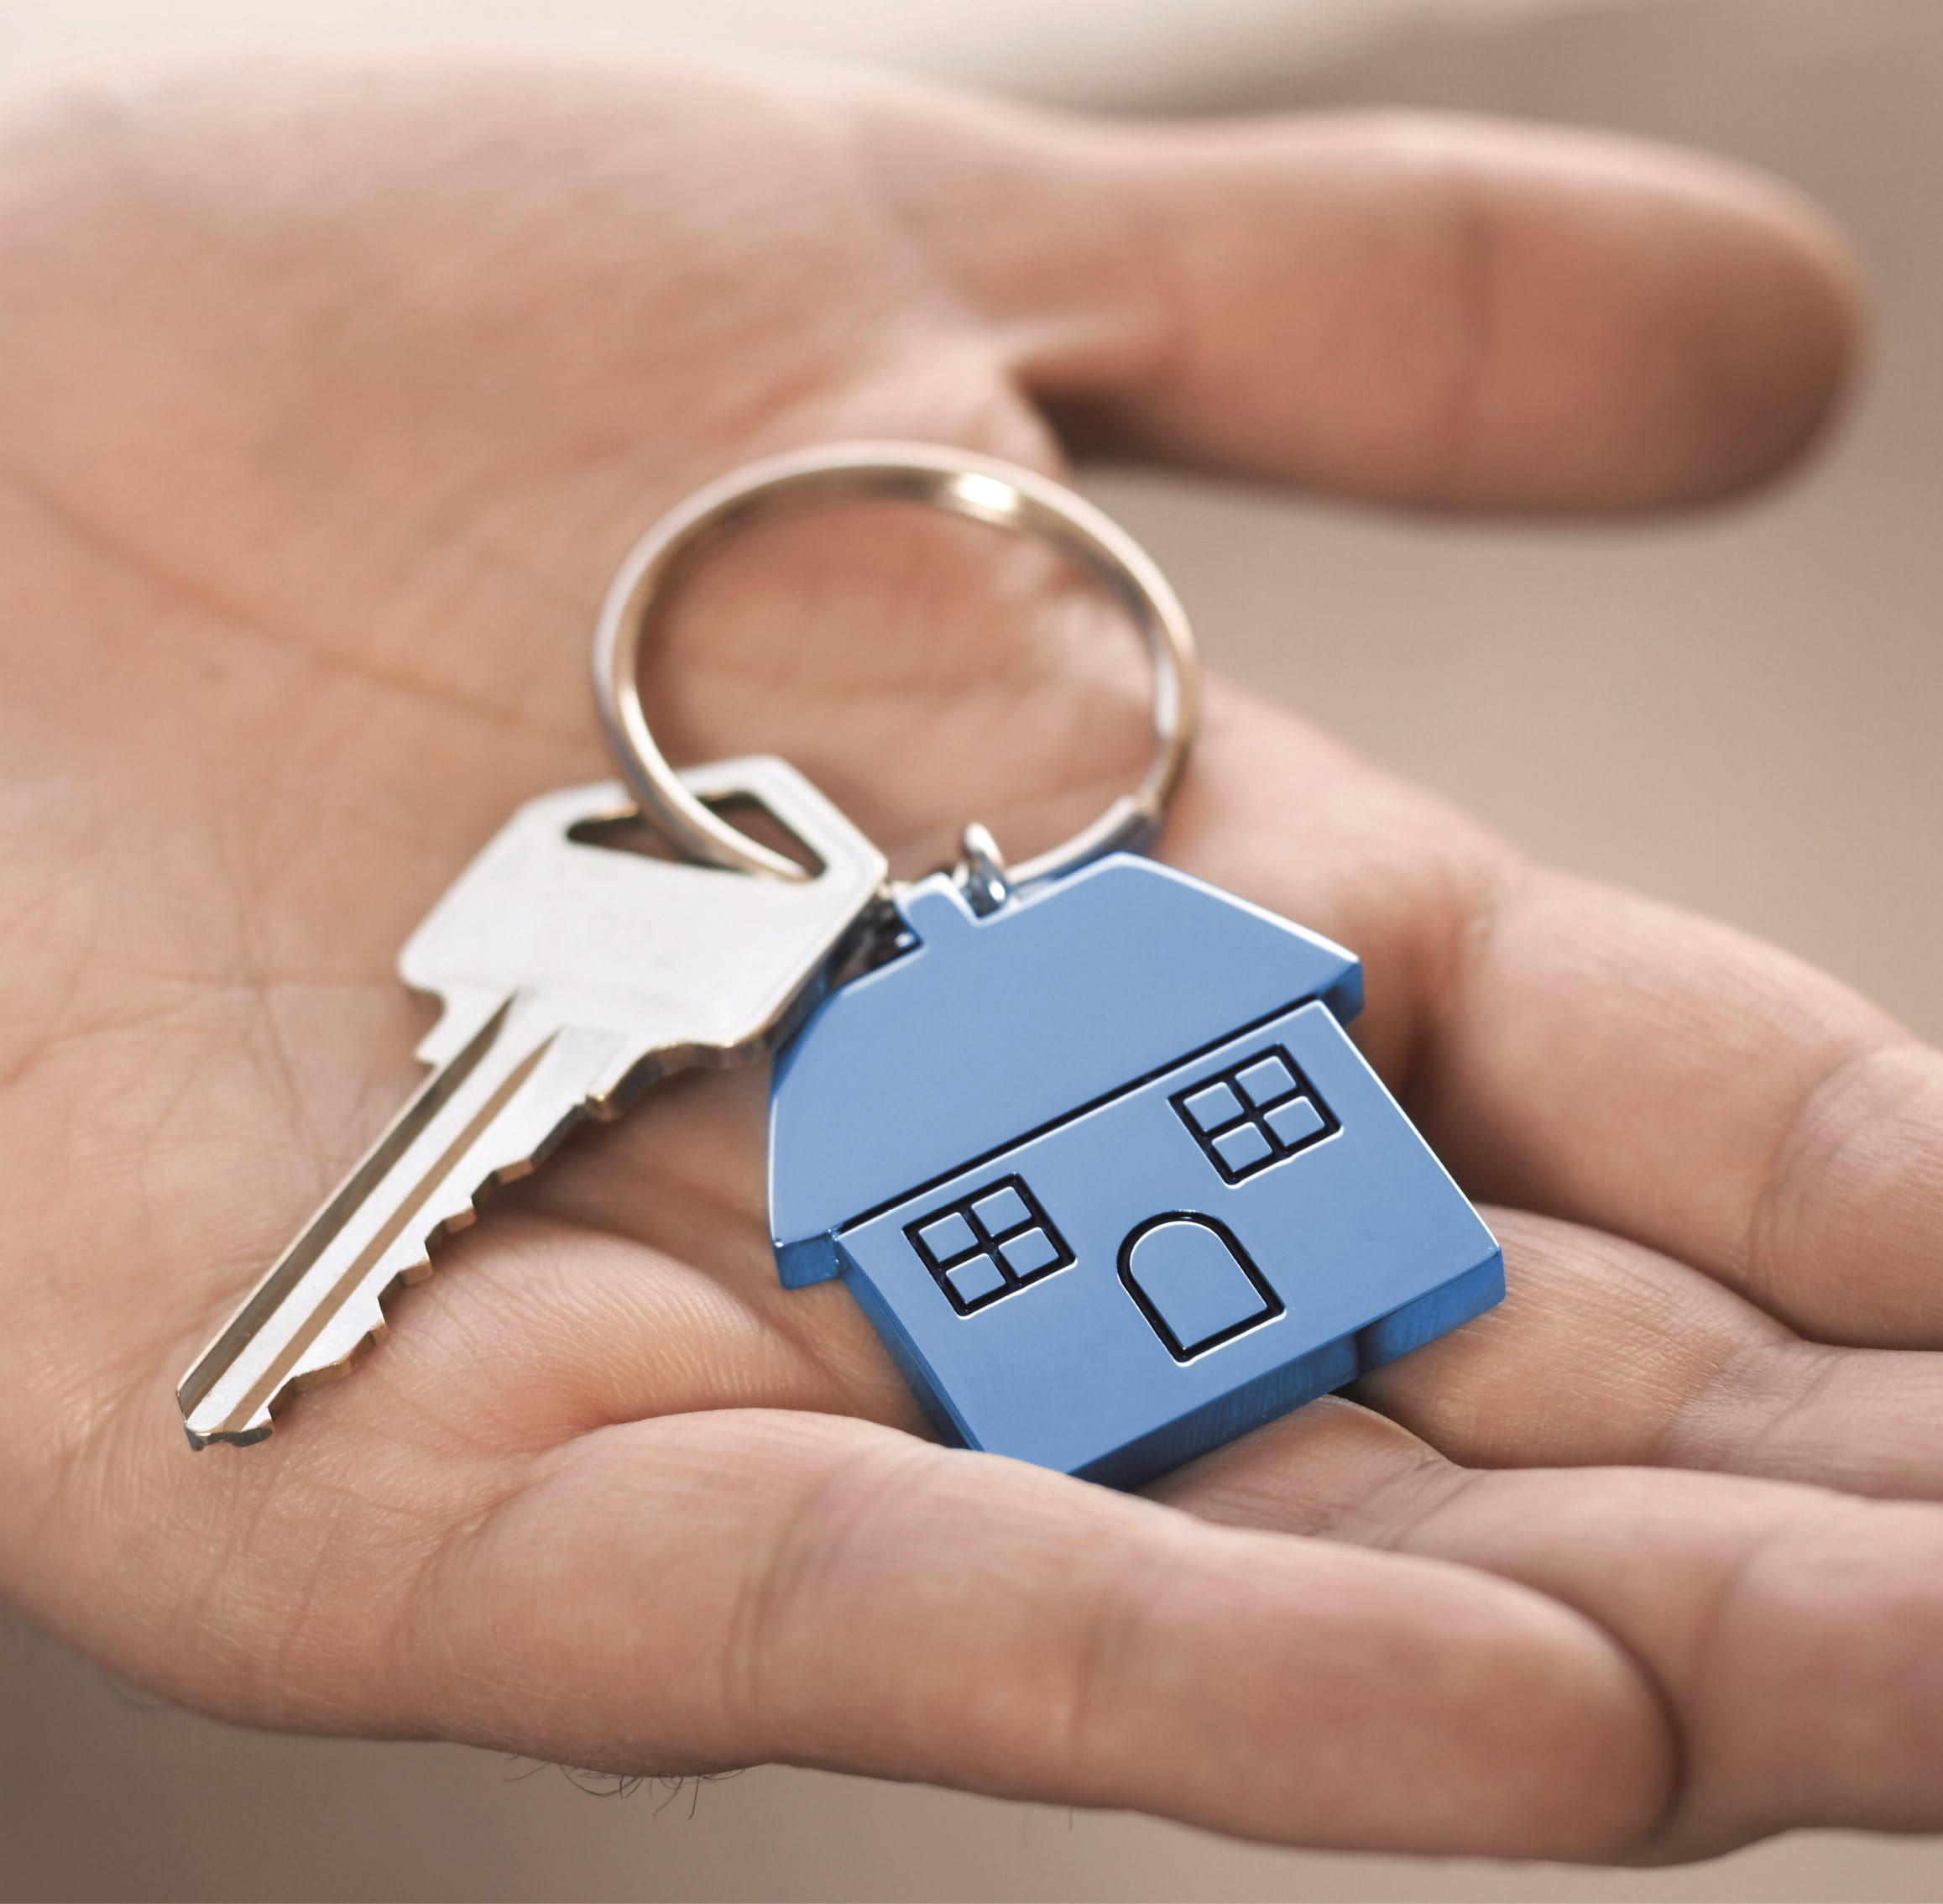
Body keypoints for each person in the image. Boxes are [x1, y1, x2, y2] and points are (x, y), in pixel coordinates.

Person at [3, 51, 1926, 1864]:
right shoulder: (968, 1024)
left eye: (1253, 1107)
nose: (1230, 1135)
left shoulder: (977, 1018)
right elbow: (844, 1222)